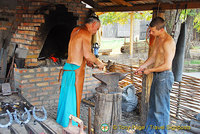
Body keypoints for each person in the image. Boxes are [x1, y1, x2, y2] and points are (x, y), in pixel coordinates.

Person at [56, 16, 105, 127]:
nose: (95, 32)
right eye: (97, 29)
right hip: (76, 70)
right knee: (74, 98)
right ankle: (72, 124)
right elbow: (87, 54)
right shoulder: (86, 33)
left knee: (65, 96)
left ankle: (62, 121)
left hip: (68, 67)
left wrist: (88, 61)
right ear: (93, 24)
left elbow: (77, 50)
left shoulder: (75, 30)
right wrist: (99, 63)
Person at [135, 17, 176, 134]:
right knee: (153, 106)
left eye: (153, 31)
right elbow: (153, 57)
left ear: (161, 29)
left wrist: (150, 70)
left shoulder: (168, 42)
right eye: (150, 30)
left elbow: (167, 65)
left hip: (165, 77)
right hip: (157, 76)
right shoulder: (158, 39)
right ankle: (149, 131)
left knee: (161, 109)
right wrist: (142, 67)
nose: (151, 33)